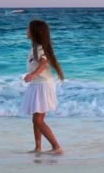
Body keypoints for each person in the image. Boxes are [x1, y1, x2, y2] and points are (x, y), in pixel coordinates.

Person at [22, 19, 65, 154]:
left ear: (34, 33)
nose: (26, 31)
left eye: (28, 29)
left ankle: (56, 147)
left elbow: (44, 63)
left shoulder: (39, 49)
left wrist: (33, 74)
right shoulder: (35, 48)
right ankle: (38, 147)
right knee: (36, 119)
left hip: (42, 86)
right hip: (37, 85)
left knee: (38, 119)